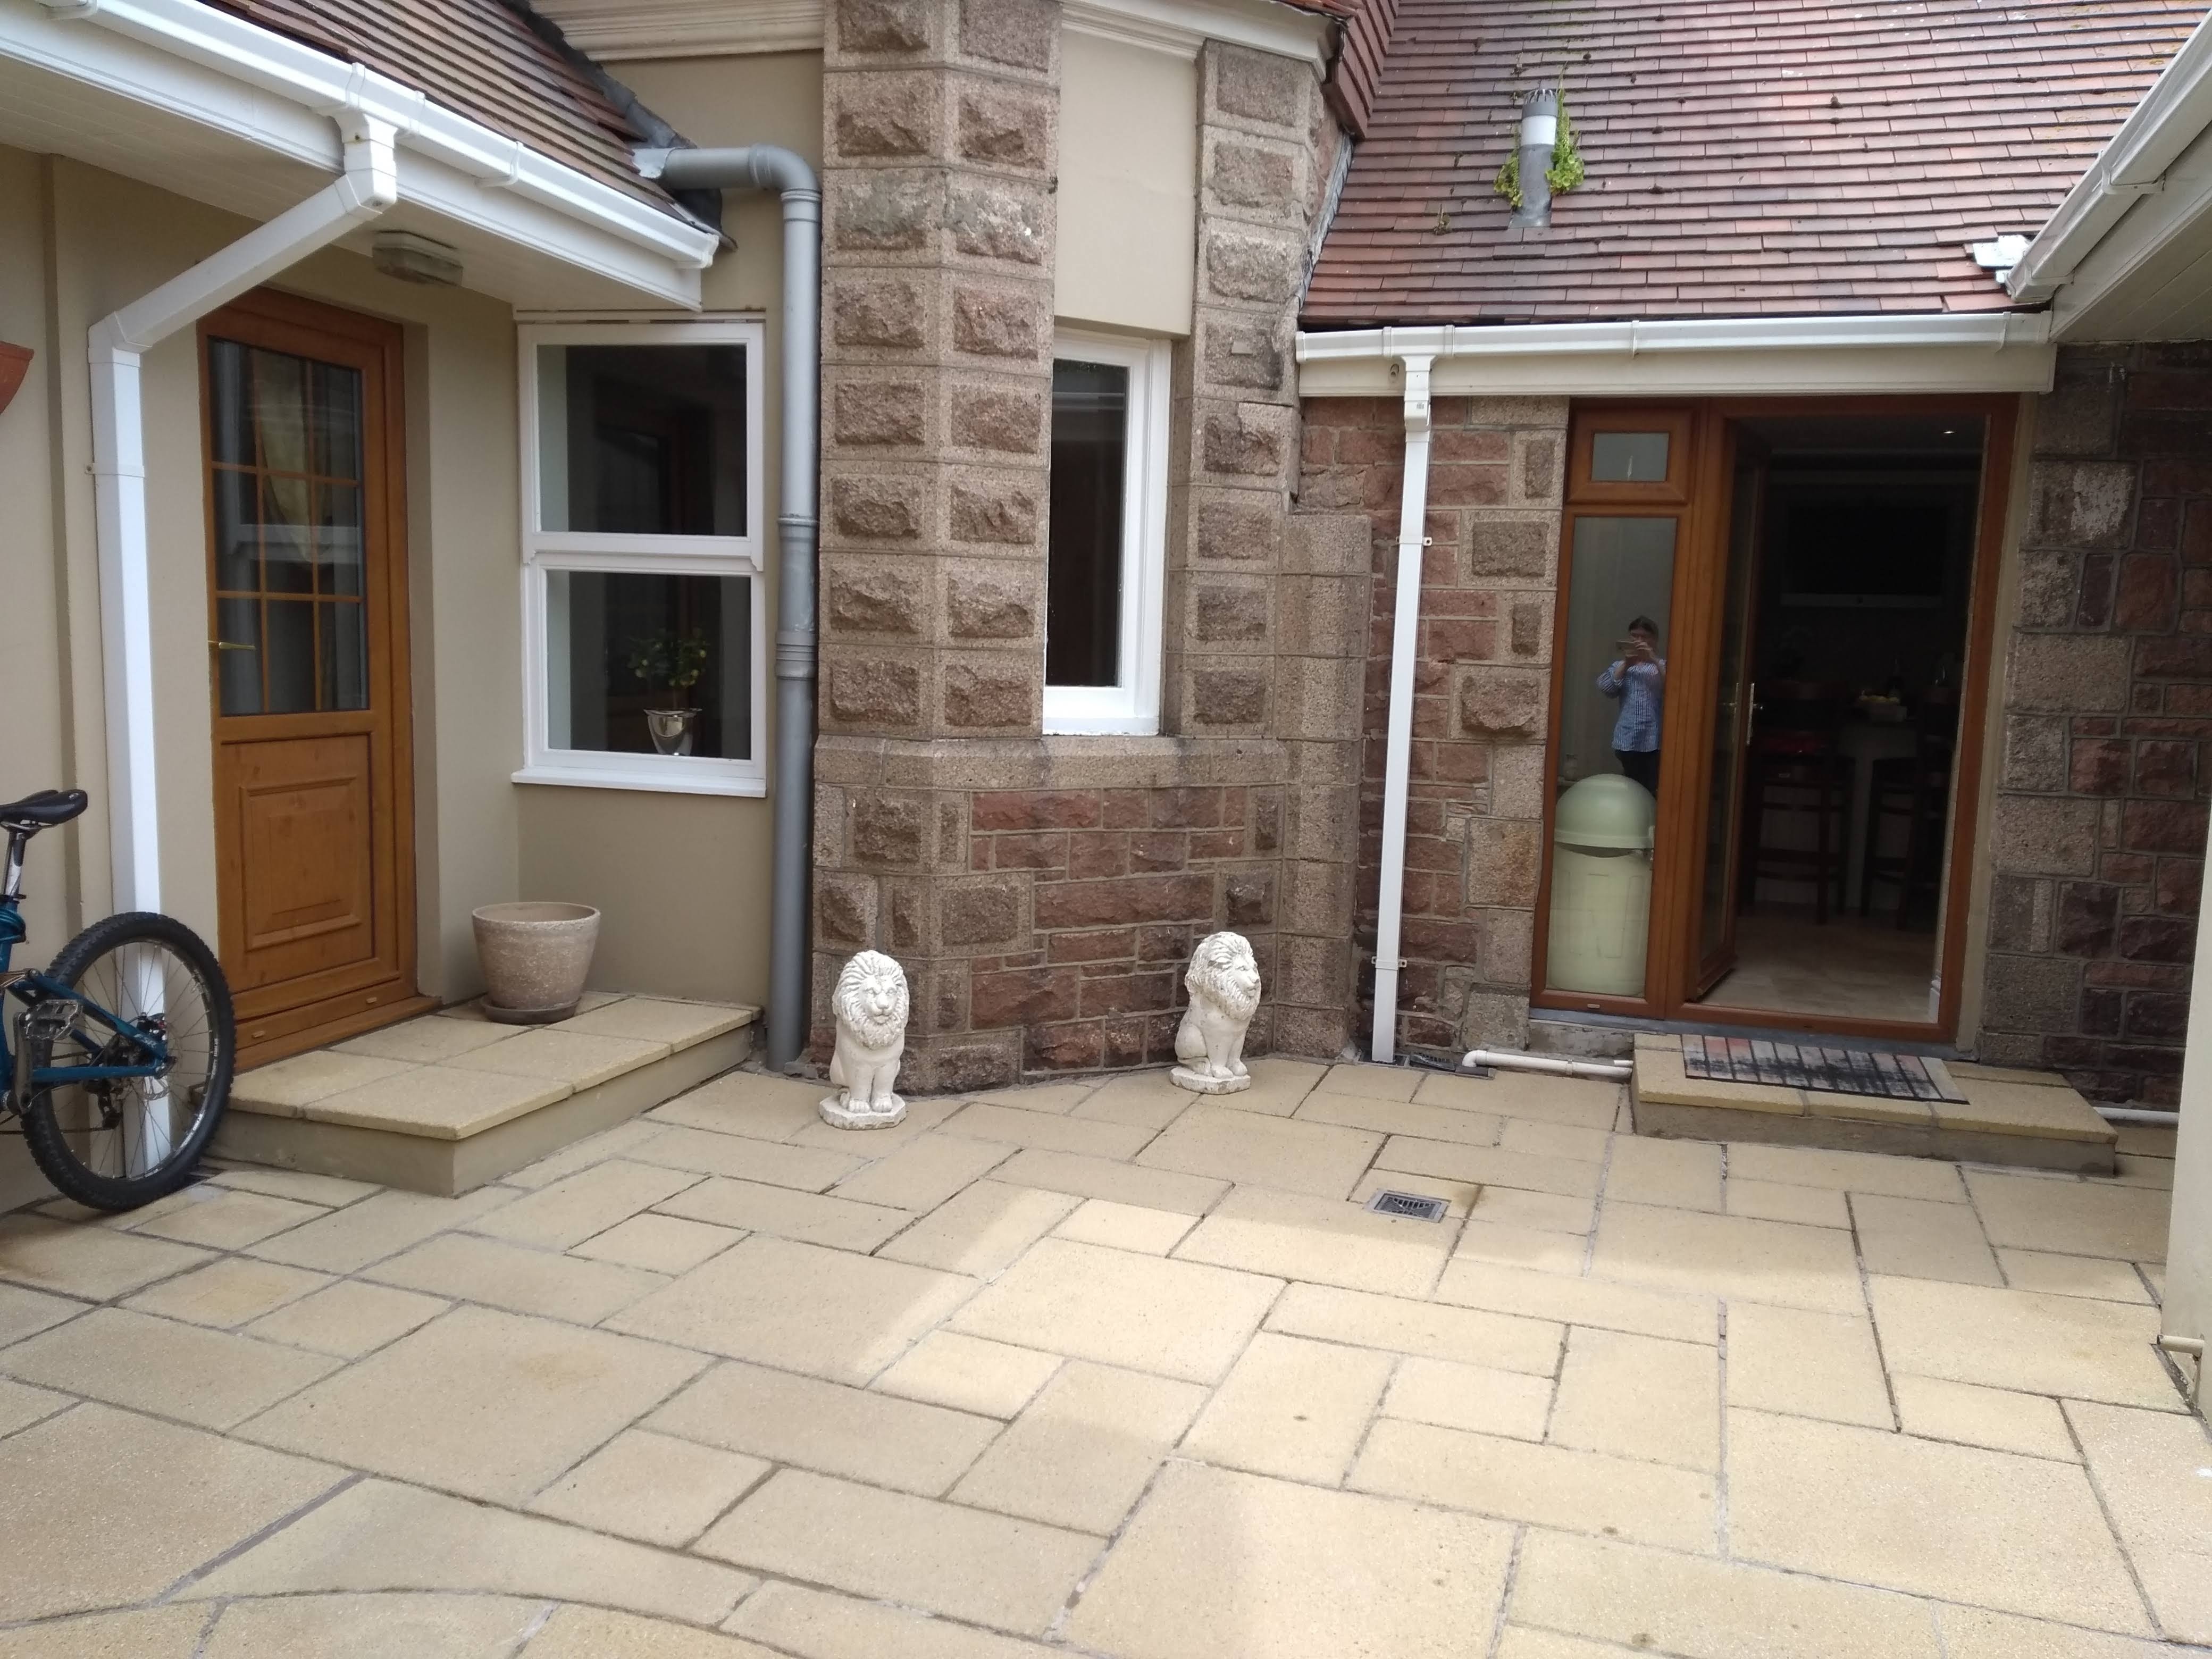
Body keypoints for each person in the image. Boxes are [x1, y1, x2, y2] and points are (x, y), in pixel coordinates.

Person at [1596, 615, 1665, 794]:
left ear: (1654, 640)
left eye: (1644, 637)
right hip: (1627, 738)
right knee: (1631, 785)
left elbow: (1674, 688)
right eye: (1635, 636)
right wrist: (1627, 664)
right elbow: (1606, 689)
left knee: (1650, 786)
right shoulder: (1620, 666)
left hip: (1653, 739)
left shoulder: (1662, 666)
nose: (1639, 641)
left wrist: (1653, 658)